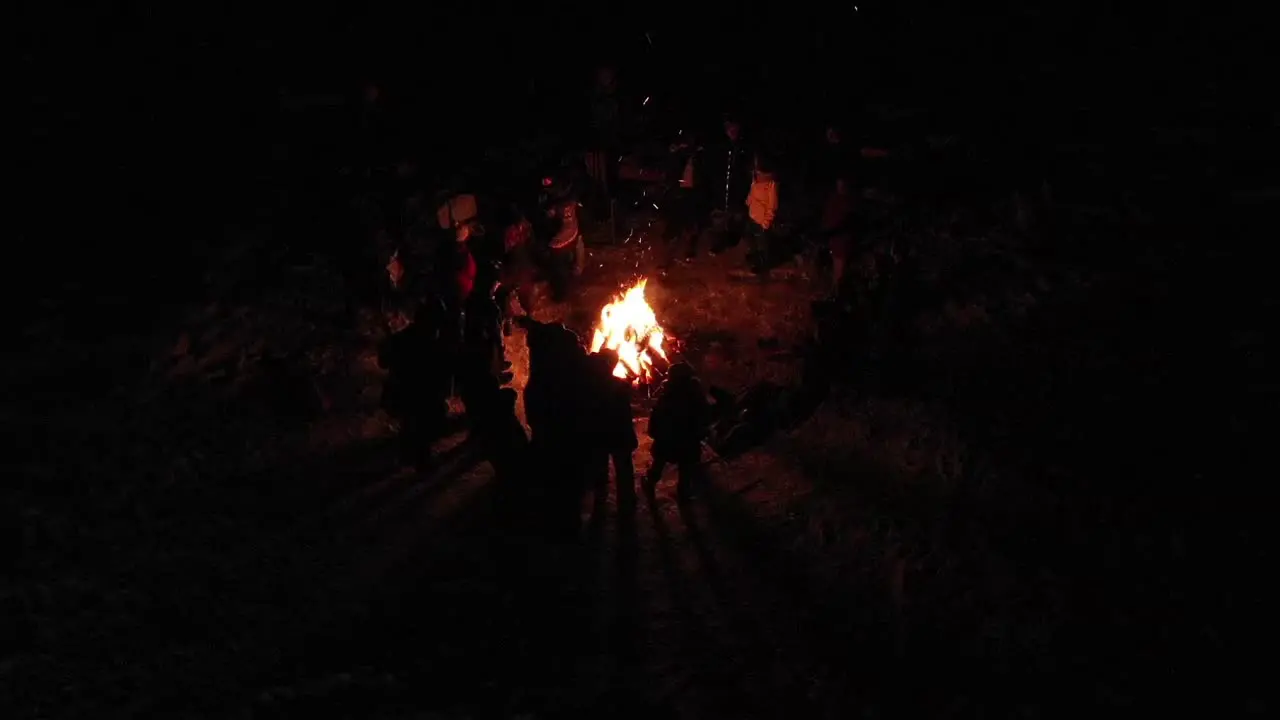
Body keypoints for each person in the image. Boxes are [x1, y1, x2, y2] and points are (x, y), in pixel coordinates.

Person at [378, 300, 453, 473]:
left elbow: (383, 361)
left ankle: (410, 455)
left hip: (407, 395)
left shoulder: (405, 338)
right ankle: (419, 459)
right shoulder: (430, 344)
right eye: (436, 323)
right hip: (412, 396)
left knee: (414, 424)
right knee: (419, 425)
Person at [644, 363, 712, 503]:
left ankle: (650, 484)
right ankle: (683, 493)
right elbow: (704, 414)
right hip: (688, 440)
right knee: (685, 469)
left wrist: (655, 432)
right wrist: (702, 431)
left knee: (659, 464)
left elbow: (657, 415)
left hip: (667, 439)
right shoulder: (695, 393)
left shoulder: (668, 394)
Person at [583, 349, 638, 512]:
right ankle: (626, 500)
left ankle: (601, 500)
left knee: (600, 466)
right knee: (623, 468)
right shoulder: (620, 385)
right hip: (619, 434)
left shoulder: (589, 386)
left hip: (599, 434)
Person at [708, 116, 753, 255]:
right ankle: (718, 245)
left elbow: (748, 170)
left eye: (734, 129)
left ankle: (734, 241)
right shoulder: (720, 147)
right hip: (720, 192)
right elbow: (713, 168)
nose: (732, 132)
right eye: (729, 129)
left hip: (738, 192)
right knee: (718, 221)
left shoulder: (745, 147)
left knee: (737, 219)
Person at [536, 171, 583, 301]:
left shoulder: (556, 203)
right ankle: (571, 279)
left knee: (557, 264)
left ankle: (561, 293)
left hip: (562, 239)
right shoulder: (570, 195)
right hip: (573, 232)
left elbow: (549, 217)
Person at [661, 132, 703, 265]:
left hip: (692, 191)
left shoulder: (697, 155)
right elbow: (671, 171)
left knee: (691, 220)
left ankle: (690, 247)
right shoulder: (677, 154)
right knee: (676, 218)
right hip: (678, 190)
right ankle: (669, 254)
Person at [745, 155, 779, 275]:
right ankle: (755, 260)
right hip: (752, 216)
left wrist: (766, 222)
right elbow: (751, 193)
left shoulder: (770, 185)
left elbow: (772, 206)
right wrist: (748, 201)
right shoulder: (755, 180)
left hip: (762, 220)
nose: (756, 172)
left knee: (762, 245)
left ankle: (763, 265)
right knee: (751, 239)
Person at [821, 176, 856, 292]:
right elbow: (828, 218)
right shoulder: (834, 200)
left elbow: (847, 222)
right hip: (835, 240)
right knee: (836, 268)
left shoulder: (847, 201)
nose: (841, 187)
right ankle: (835, 291)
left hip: (841, 241)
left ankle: (837, 293)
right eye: (839, 185)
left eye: (843, 185)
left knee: (839, 270)